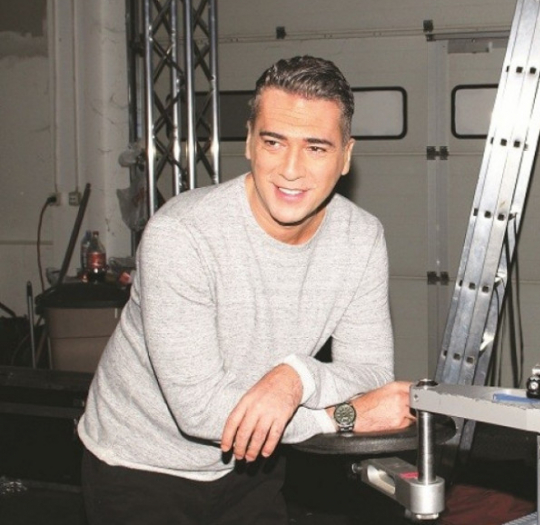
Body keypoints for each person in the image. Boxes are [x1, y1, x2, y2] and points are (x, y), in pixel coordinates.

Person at [78, 55, 415, 524]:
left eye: (316, 148)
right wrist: (342, 417)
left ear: (345, 156)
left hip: (255, 460)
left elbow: (371, 371)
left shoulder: (361, 237)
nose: (291, 170)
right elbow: (199, 412)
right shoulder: (182, 234)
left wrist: (296, 377)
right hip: (139, 464)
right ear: (250, 143)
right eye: (274, 142)